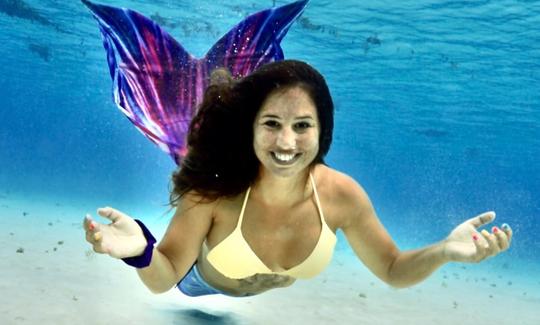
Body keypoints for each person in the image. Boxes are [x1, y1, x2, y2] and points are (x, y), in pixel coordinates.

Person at [83, 60, 513, 297]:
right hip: (199, 282)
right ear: (251, 128)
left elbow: (392, 268)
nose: (287, 142)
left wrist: (444, 250)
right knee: (198, 164)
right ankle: (188, 136)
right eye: (271, 123)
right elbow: (165, 279)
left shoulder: (342, 195)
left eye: (303, 126)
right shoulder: (213, 194)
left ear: (323, 132)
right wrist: (140, 251)